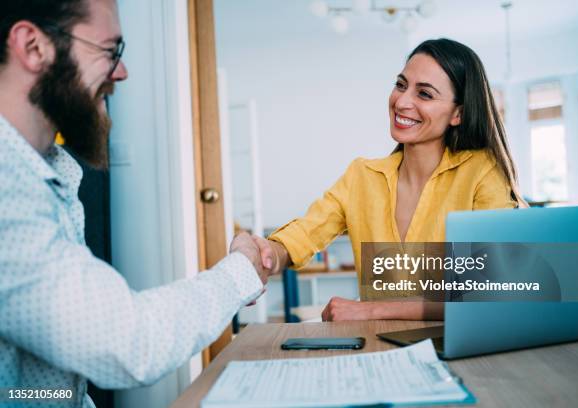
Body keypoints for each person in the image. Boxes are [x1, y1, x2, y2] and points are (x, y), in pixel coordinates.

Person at [0, 1, 274, 407]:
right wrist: (242, 270)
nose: (121, 72)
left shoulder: (48, 173)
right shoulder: (7, 186)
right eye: (110, 51)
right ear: (33, 46)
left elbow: (51, 392)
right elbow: (130, 343)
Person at [253, 38, 527, 322]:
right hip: (380, 348)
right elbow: (304, 235)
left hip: (457, 349)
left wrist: (371, 308)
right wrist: (263, 255)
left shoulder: (482, 172)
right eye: (401, 85)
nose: (402, 101)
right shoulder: (362, 176)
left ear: (458, 114)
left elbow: (490, 290)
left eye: (424, 94)